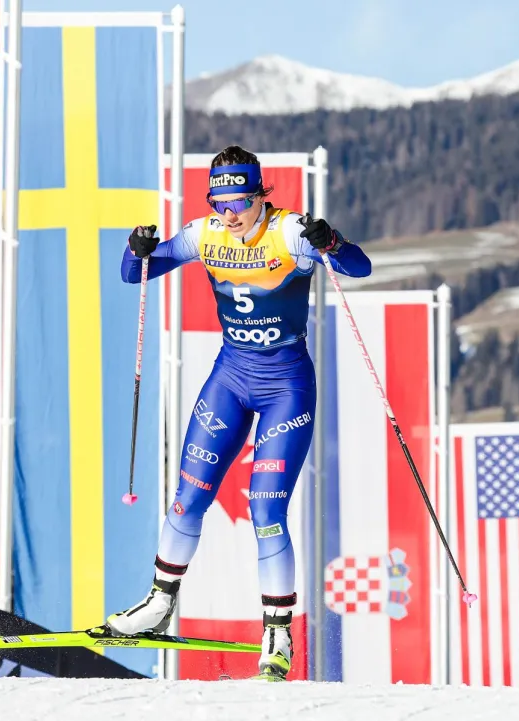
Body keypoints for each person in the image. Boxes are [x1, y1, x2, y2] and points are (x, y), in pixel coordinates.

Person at [104, 145, 372, 680]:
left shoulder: (291, 232)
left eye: (239, 203)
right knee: (187, 498)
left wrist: (332, 242)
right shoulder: (204, 234)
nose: (229, 215)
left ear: (259, 196)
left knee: (265, 512)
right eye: (219, 202)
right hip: (230, 377)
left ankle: (277, 635)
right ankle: (158, 606)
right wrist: (136, 249)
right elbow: (134, 275)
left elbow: (359, 267)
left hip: (285, 388)